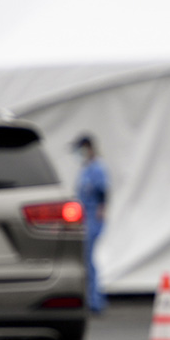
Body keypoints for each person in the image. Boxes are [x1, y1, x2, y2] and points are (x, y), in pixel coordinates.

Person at [72, 134, 109, 314]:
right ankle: (91, 298)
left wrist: (101, 209)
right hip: (85, 219)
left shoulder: (97, 168)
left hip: (93, 219)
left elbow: (102, 191)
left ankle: (95, 301)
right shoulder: (86, 168)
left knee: (88, 259)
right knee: (86, 260)